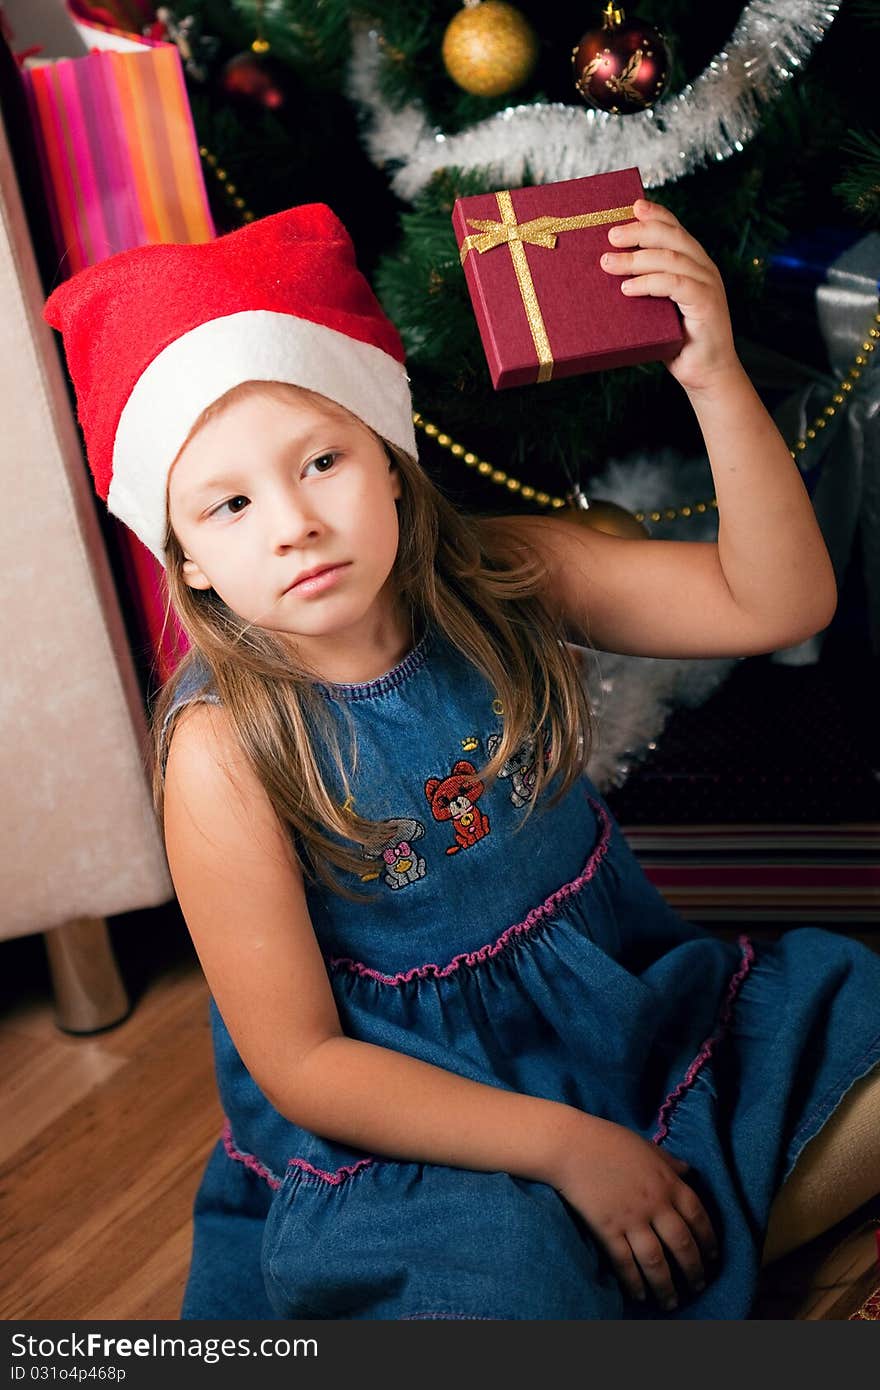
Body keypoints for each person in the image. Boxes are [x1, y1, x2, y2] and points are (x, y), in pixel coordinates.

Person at [43, 199, 880, 1322]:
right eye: (230, 503)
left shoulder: (501, 576)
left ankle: (682, 1242)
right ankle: (658, 1245)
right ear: (185, 560)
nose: (292, 522)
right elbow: (303, 1065)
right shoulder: (224, 750)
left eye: (323, 459)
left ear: (390, 461)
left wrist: (712, 375)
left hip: (629, 1023)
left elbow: (779, 598)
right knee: (501, 1275)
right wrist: (567, 1150)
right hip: (419, 1119)